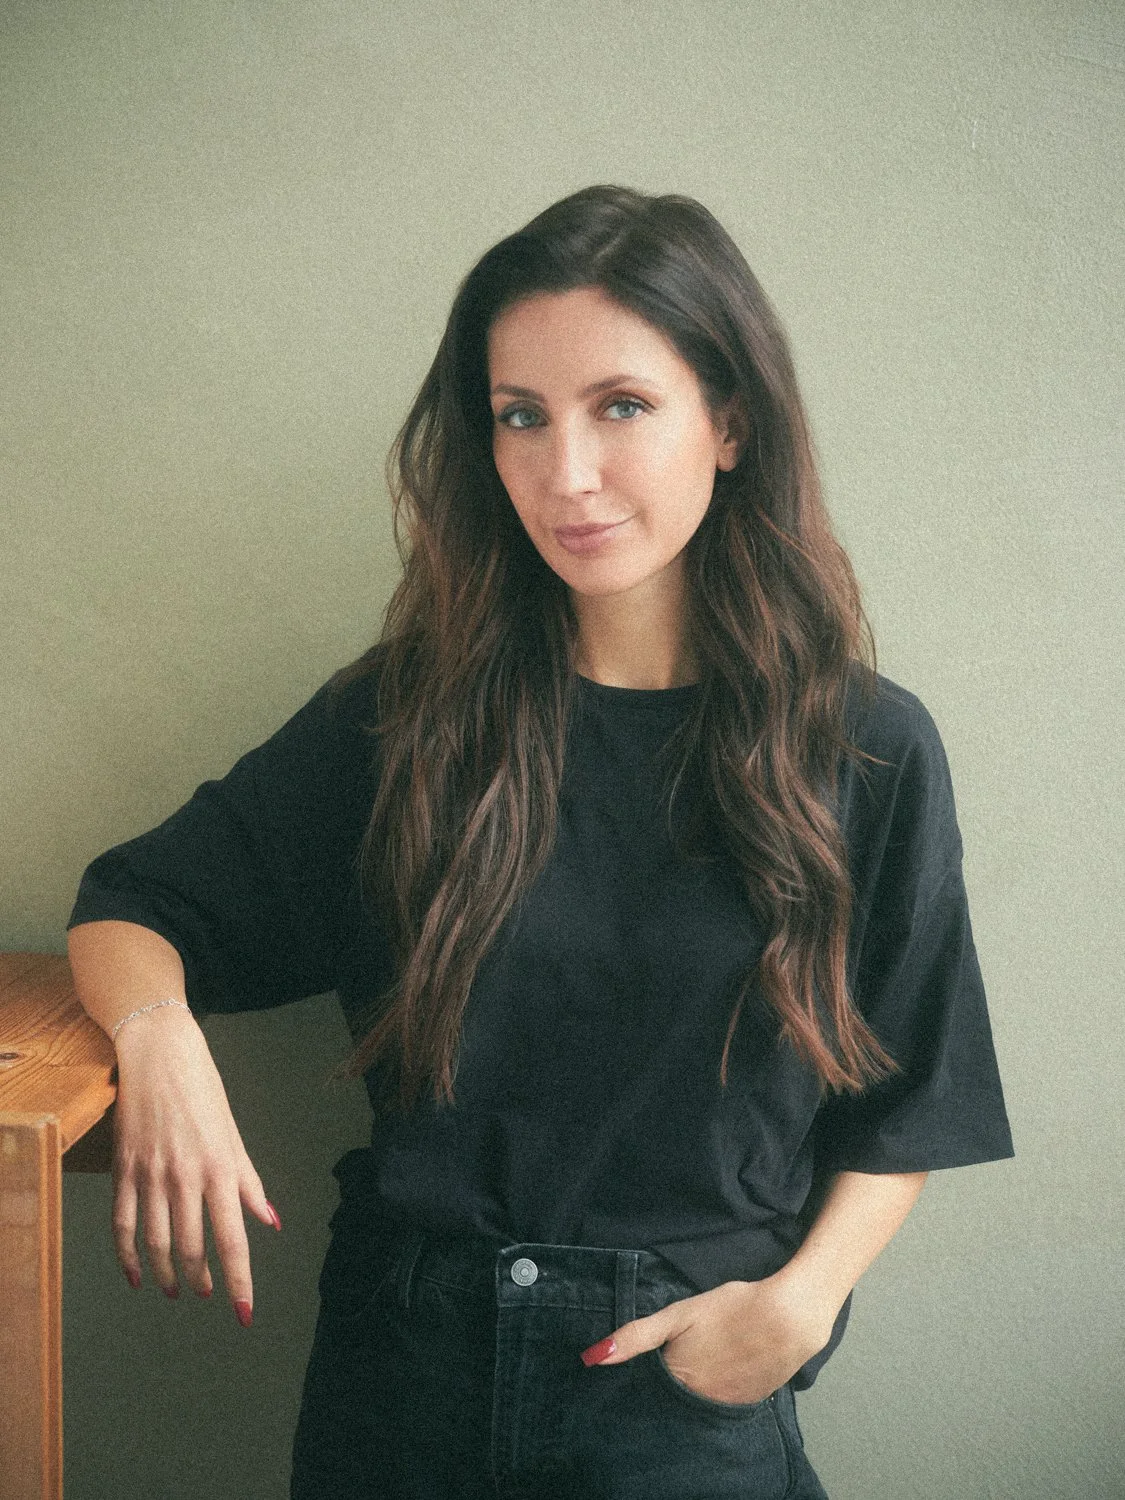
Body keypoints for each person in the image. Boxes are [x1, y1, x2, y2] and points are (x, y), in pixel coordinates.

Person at [66, 184, 1014, 1499]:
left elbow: (910, 1097)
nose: (564, 473)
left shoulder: (864, 749)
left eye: (620, 406)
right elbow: (133, 907)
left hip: (680, 1392)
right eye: (521, 416)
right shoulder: (405, 715)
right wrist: (158, 1040)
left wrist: (800, 1305)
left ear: (731, 422)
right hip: (402, 1375)